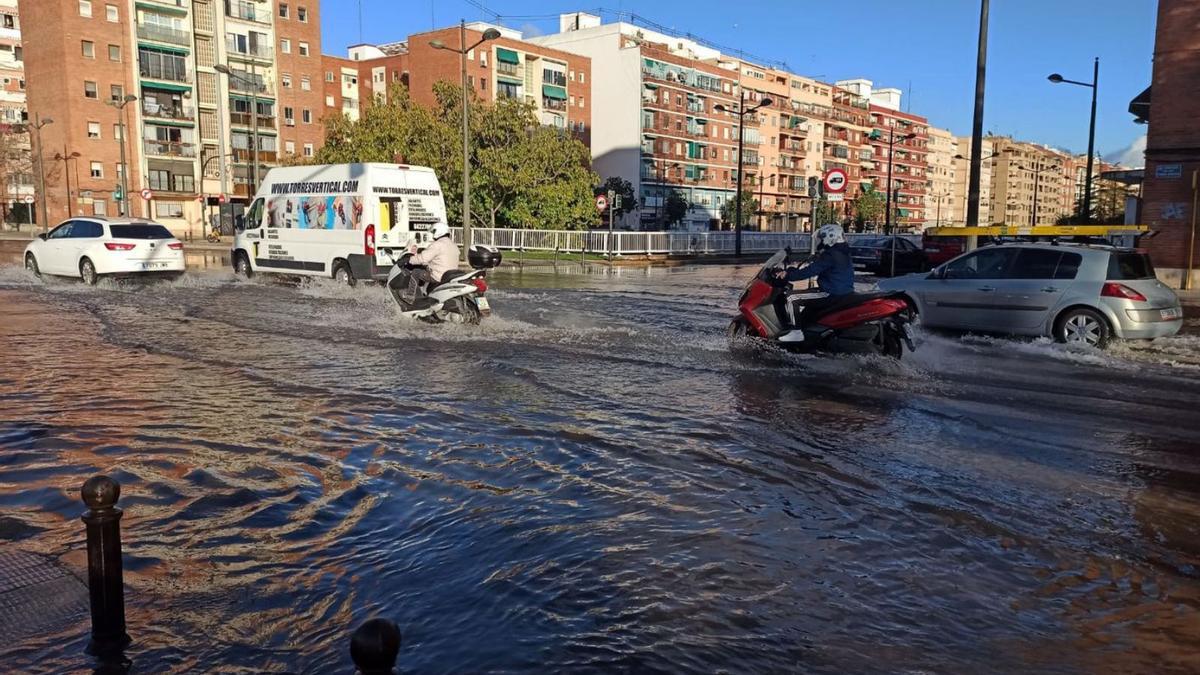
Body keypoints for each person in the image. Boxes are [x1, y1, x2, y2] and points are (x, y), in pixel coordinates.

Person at [773, 223, 854, 329]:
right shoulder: (842, 251)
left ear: (831, 237)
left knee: (791, 297)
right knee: (807, 308)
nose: (821, 242)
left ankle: (795, 333)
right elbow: (822, 268)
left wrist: (788, 275)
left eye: (822, 238)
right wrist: (791, 271)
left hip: (831, 293)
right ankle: (804, 328)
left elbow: (810, 271)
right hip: (841, 291)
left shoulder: (831, 254)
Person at [405, 222, 460, 308]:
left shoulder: (438, 244)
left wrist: (410, 260)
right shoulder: (453, 245)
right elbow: (440, 260)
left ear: (439, 231)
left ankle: (409, 299)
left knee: (416, 272)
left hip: (438, 276)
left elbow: (423, 258)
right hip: (450, 276)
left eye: (434, 231)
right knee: (425, 270)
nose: (433, 234)